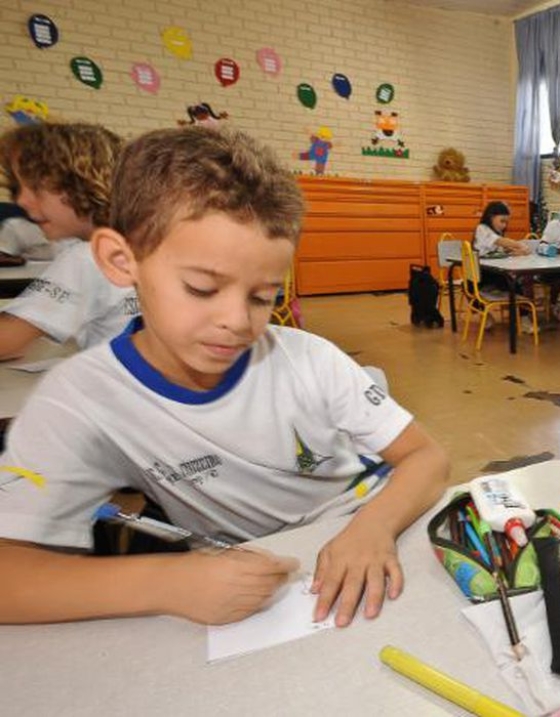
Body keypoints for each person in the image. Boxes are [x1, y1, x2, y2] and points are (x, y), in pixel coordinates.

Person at [0, 127, 449, 627]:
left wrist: (374, 527)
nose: (238, 321)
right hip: (263, 573)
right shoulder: (80, 398)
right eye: (201, 288)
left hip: (376, 523)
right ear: (120, 260)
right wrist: (168, 581)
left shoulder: (308, 359)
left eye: (263, 297)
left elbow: (426, 457)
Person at [0, 123, 138, 359]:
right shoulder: (139, 243)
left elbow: (6, 342)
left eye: (34, 187)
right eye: (17, 188)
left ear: (83, 183)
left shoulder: (88, 257)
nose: (21, 201)